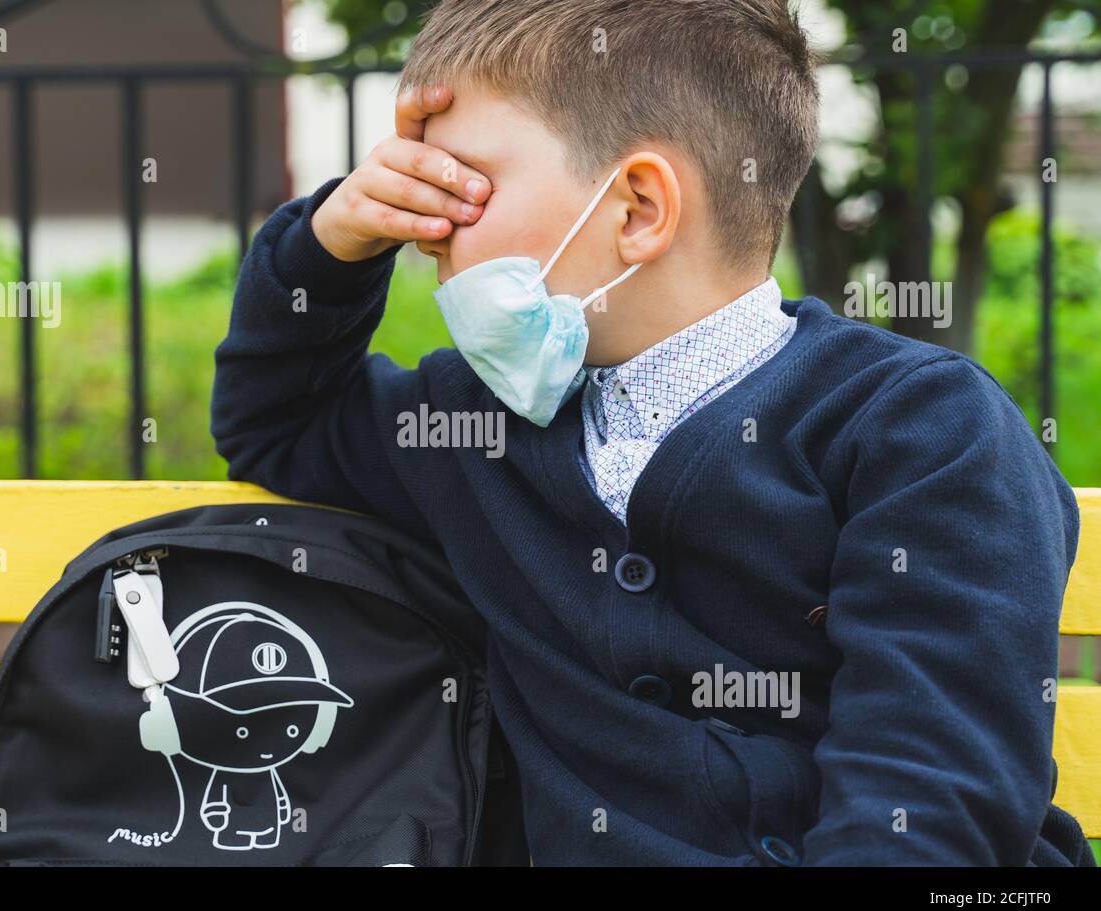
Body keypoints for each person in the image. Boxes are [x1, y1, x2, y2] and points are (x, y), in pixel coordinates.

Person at [211, 0, 1092, 866]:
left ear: (635, 208)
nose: (427, 232)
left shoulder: (924, 431)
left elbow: (932, 797)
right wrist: (330, 244)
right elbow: (277, 421)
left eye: (459, 185)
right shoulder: (471, 425)